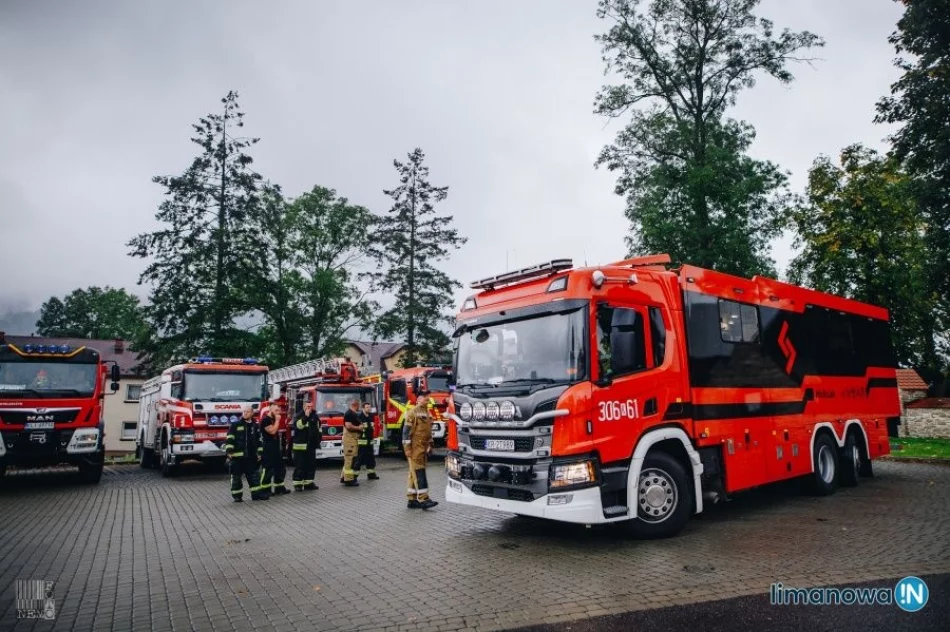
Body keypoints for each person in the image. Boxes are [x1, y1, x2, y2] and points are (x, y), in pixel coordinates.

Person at [224, 406, 268, 502]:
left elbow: (259, 440)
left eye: (248, 412)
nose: (245, 413)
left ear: (252, 413)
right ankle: (237, 496)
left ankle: (256, 495)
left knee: (254, 477)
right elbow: (230, 438)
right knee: (236, 478)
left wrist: (260, 453)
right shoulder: (235, 425)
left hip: (251, 457)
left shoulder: (255, 426)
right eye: (244, 412)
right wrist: (229, 451)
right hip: (237, 457)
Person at [403, 392, 437, 509]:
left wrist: (431, 444)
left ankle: (412, 500)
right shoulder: (413, 412)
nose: (428, 399)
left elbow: (428, 431)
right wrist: (407, 448)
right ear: (419, 399)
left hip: (423, 446)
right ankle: (424, 498)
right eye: (426, 398)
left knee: (414, 472)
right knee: (419, 472)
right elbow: (406, 432)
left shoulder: (427, 412)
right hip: (415, 447)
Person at [259, 404, 289, 496]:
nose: (278, 413)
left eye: (279, 411)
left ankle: (279, 488)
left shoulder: (272, 420)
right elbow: (272, 431)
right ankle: (265, 489)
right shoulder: (266, 420)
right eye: (276, 410)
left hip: (276, 447)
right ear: (270, 410)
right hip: (268, 448)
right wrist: (277, 421)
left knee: (280, 468)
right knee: (268, 469)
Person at [291, 400, 320, 492]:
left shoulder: (315, 416)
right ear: (304, 407)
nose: (309, 408)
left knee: (311, 465)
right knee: (300, 466)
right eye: (307, 407)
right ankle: (298, 484)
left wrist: (318, 439)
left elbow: (319, 428)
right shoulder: (298, 415)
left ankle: (309, 483)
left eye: (311, 406)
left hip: (311, 446)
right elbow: (299, 426)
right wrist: (306, 417)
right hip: (300, 446)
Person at [353, 401, 379, 481]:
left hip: (370, 440)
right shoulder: (359, 416)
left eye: (370, 407)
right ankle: (354, 476)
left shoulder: (371, 416)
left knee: (371, 458)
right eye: (367, 407)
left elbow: (372, 426)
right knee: (359, 459)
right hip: (362, 441)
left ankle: (371, 474)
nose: (369, 409)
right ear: (363, 408)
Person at [340, 399, 362, 487]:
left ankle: (343, 477)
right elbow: (348, 426)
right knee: (350, 459)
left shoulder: (353, 414)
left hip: (353, 439)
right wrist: (359, 428)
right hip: (350, 440)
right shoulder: (349, 414)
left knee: (349, 459)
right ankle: (349, 480)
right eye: (359, 405)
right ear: (356, 405)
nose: (359, 406)